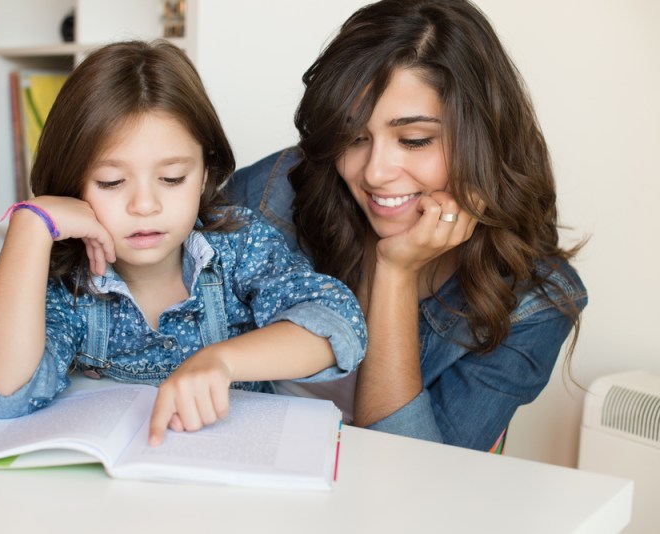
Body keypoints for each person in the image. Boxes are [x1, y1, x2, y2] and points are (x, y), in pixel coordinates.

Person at [227, 0, 587, 452]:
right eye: (354, 137)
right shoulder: (277, 194)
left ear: (483, 139)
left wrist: (395, 274)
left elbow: (413, 476)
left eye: (413, 140)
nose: (375, 172)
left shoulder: (533, 304)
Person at [0, 40, 367, 446]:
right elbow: (4, 394)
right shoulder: (71, 284)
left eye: (173, 178)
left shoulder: (237, 244)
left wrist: (221, 360)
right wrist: (30, 223)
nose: (145, 205)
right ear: (72, 184)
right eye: (111, 182)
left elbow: (339, 326)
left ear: (205, 171)